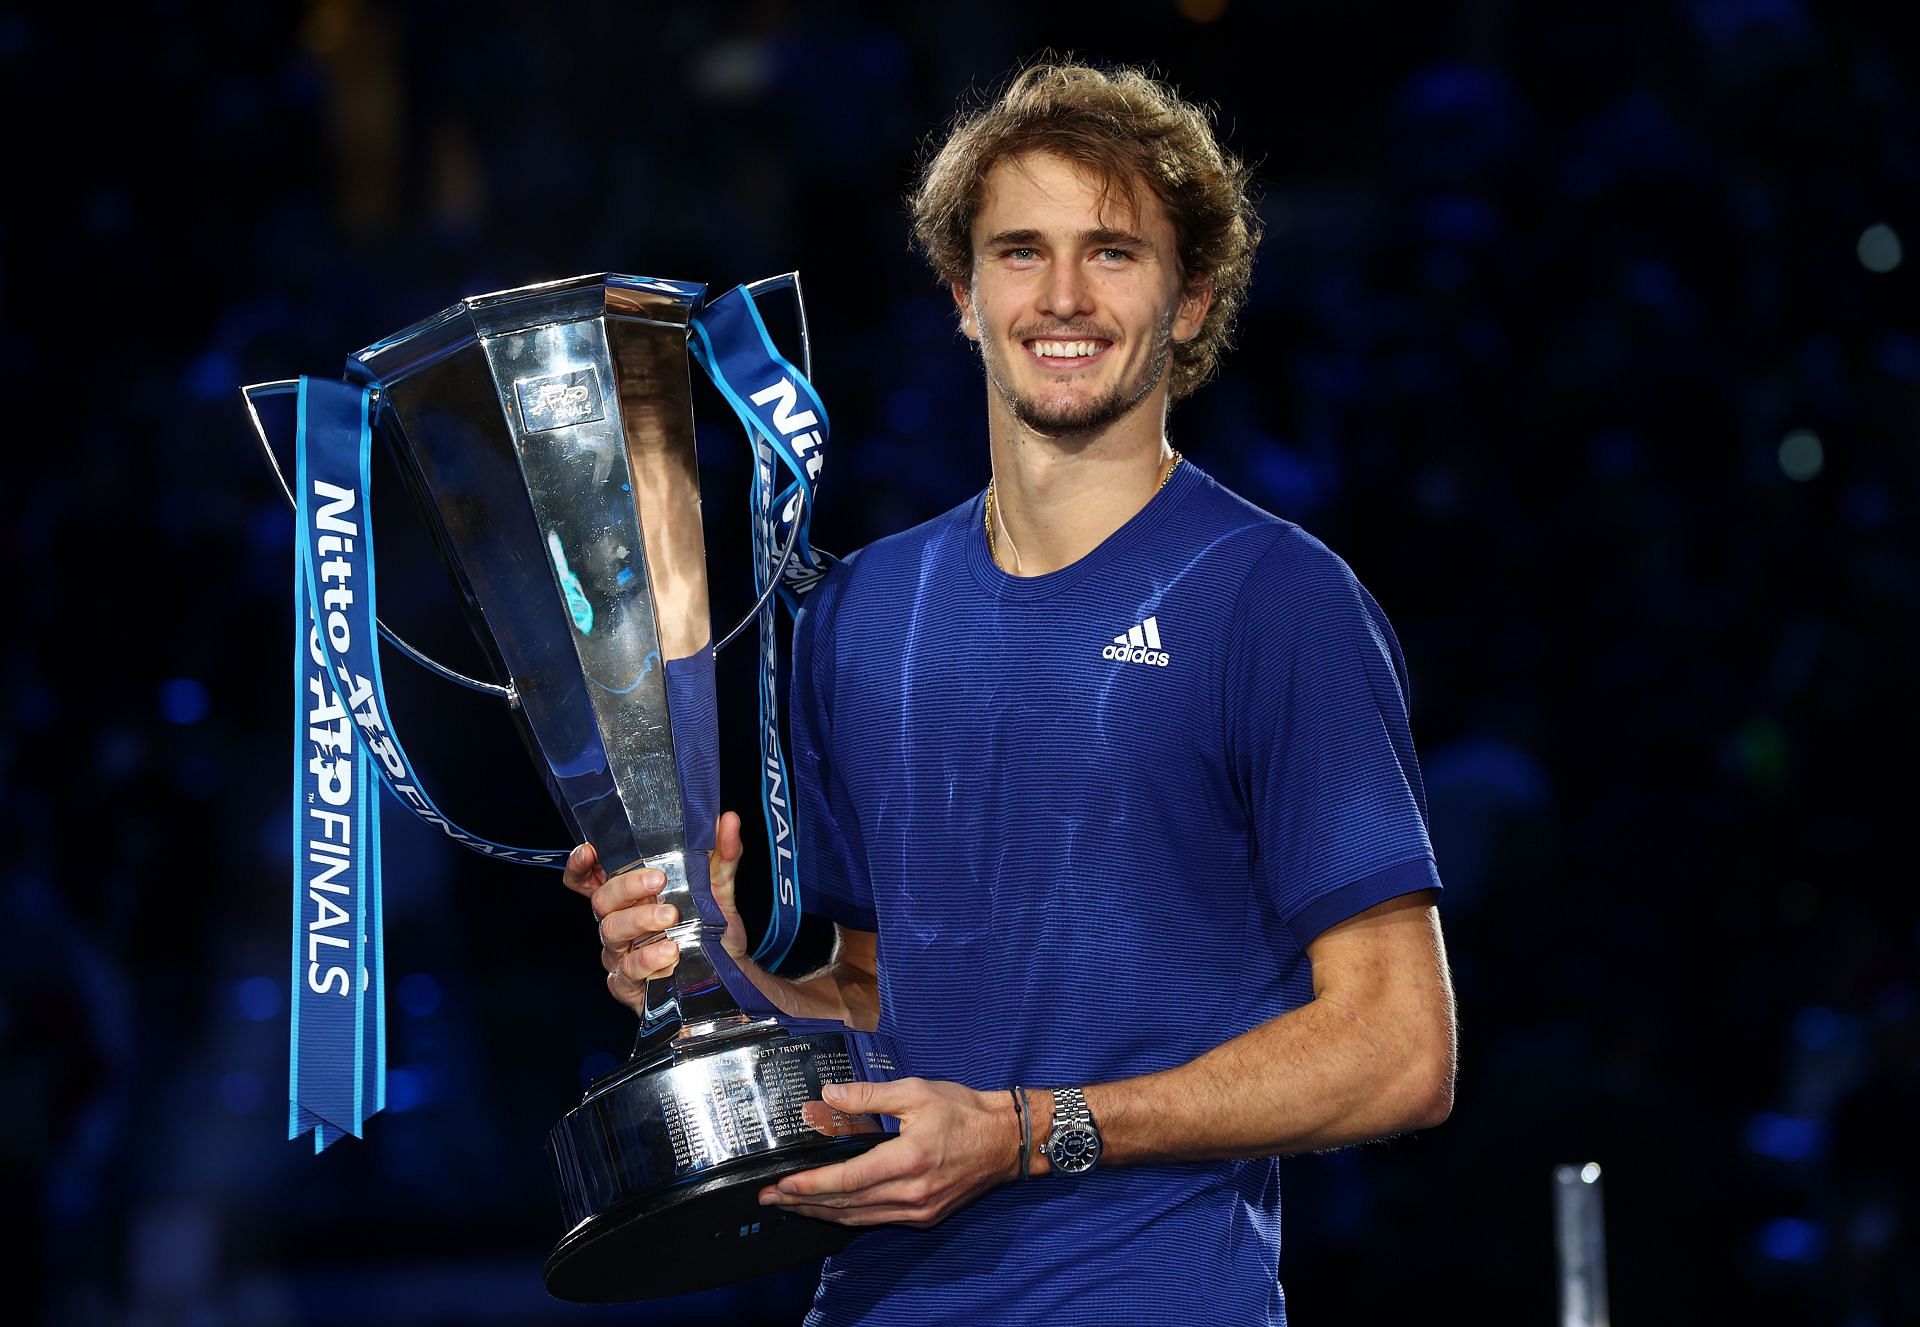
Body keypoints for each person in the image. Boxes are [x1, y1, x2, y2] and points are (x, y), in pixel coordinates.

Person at [564, 62, 1456, 1326]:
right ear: (964, 297)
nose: (1065, 297)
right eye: (1020, 253)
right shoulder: (856, 613)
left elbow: (1400, 1049)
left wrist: (1032, 1134)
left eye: (1114, 252)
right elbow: (882, 1006)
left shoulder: (1274, 599)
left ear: (1193, 297)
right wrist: (712, 969)